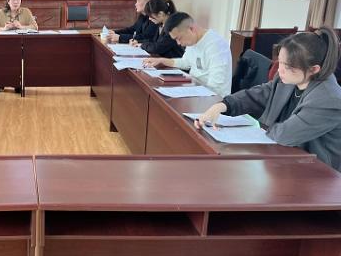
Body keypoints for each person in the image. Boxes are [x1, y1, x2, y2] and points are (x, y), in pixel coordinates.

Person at [197, 27, 341, 170]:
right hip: (281, 159)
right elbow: (257, 95)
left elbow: (285, 135)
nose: (280, 70)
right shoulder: (288, 79)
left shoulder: (328, 99)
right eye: (280, 62)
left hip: (315, 171)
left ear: (313, 69)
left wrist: (254, 131)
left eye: (288, 66)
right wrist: (223, 105)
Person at [144, 12, 231, 96]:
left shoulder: (216, 45)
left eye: (179, 38)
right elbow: (186, 62)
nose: (178, 43)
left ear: (191, 29)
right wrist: (162, 60)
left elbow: (216, 87)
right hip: (195, 89)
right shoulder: (193, 40)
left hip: (212, 97)